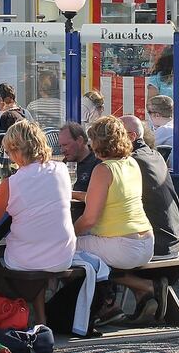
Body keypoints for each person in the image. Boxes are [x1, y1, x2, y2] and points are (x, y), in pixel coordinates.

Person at [0, 120, 76, 324]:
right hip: (63, 254)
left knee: (11, 252)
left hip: (26, 259)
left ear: (16, 150)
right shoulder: (61, 170)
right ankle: (41, 317)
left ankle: (15, 311)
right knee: (37, 238)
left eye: (9, 151)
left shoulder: (12, 183)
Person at [117, 115, 179, 324]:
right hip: (175, 241)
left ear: (131, 136)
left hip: (158, 246)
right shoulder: (154, 155)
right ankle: (143, 299)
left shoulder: (131, 163)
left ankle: (108, 306)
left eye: (115, 134)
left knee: (96, 257)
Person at [74, 114, 154, 274]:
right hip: (147, 244)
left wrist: (69, 234)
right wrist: (74, 194)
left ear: (97, 142)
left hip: (123, 247)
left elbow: (89, 219)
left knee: (60, 249)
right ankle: (140, 286)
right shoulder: (132, 163)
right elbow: (113, 198)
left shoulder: (103, 169)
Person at [147, 95, 179, 172]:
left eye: (149, 113)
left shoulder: (165, 130)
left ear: (156, 115)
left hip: (177, 175)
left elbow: (144, 148)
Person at [146, 47, 179, 123]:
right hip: (159, 120)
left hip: (175, 120)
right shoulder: (156, 78)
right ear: (172, 60)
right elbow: (151, 103)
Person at [59, 122, 101, 201]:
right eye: (60, 146)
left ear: (80, 141)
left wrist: (70, 194)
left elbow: (99, 197)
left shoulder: (98, 163)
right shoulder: (66, 162)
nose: (62, 150)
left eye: (65, 145)